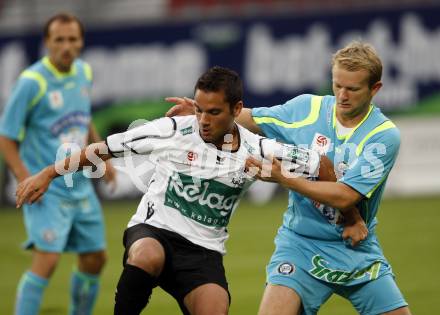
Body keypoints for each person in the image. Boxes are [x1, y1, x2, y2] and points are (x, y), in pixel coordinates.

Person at [15, 66, 365, 315]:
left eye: (214, 112)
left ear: (237, 110)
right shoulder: (172, 130)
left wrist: (350, 217)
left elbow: (321, 165)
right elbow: (102, 148)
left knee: (215, 307)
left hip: (203, 252)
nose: (203, 120)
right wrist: (47, 174)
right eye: (199, 110)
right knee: (147, 256)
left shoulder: (258, 150)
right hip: (154, 230)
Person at [166, 42, 411, 315]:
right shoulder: (308, 108)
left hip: (354, 245)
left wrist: (285, 179)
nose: (342, 95)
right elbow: (252, 119)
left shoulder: (382, 136)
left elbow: (345, 195)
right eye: (337, 85)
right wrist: (203, 111)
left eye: (352, 89)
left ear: (374, 89)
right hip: (300, 243)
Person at [0, 13, 115, 315]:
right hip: (47, 188)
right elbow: (6, 136)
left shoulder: (84, 72)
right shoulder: (31, 82)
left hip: (79, 185)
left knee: (95, 258)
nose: (66, 46)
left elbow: (84, 115)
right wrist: (26, 178)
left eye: (72, 39)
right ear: (47, 43)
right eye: (59, 40)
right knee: (47, 260)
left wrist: (100, 152)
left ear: (81, 42)